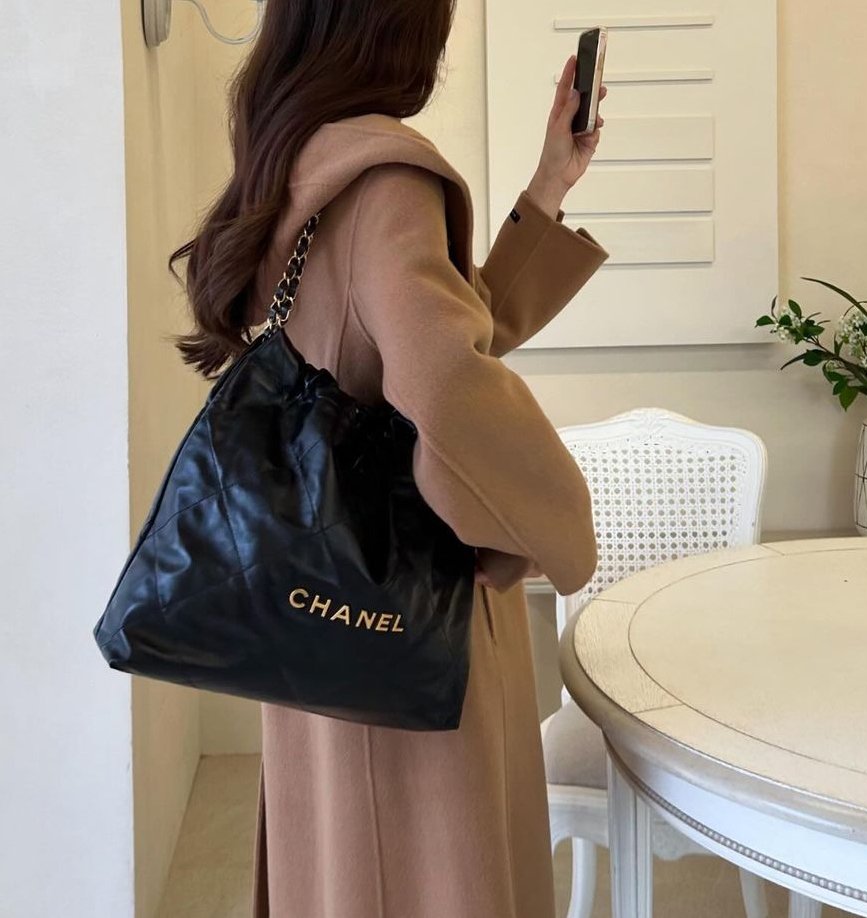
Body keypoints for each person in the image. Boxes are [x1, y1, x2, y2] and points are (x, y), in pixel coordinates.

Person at [169, 1, 609, 915]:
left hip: (315, 595)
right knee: (431, 872)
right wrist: (546, 523)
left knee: (343, 864)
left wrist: (546, 188)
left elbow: (436, 329)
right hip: (406, 612)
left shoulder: (295, 161)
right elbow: (445, 385)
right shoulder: (388, 180)